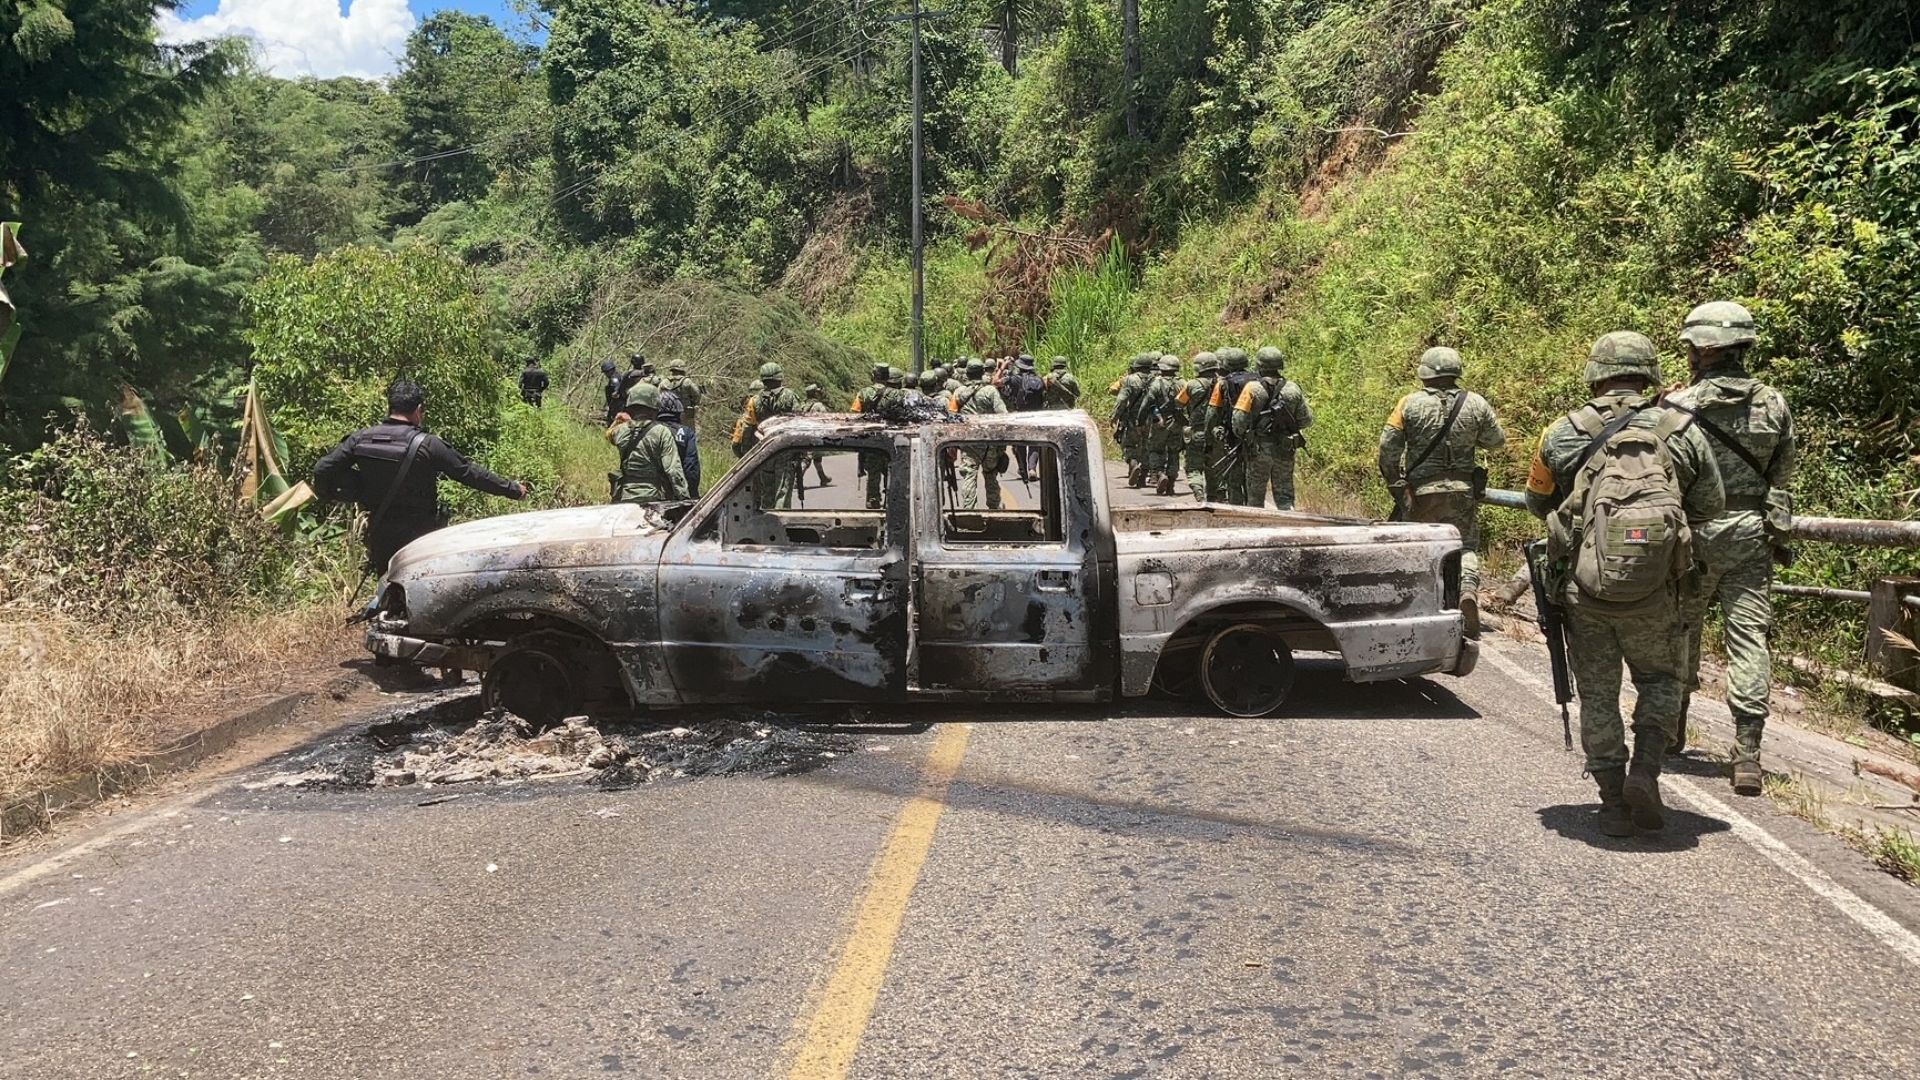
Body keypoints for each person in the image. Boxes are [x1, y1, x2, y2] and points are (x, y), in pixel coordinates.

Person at [1524, 331, 1724, 837]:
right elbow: (1710, 507)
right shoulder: (1681, 429)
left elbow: (1536, 500)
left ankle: (1613, 802)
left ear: (1594, 373)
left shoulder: (1562, 432)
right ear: (1651, 373)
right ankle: (1646, 772)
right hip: (1659, 591)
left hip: (1585, 591)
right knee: (1661, 681)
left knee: (1597, 693)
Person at [1665, 301, 1796, 791]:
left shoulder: (1679, 406)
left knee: (1680, 629)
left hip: (1695, 533)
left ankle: (1671, 731)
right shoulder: (1774, 403)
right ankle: (1747, 754)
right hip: (1750, 533)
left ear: (1704, 348)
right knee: (1749, 639)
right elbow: (1781, 476)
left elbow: (1666, 476)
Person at [313, 378, 527, 576]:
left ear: (390, 407)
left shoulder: (360, 439)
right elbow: (470, 474)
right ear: (418, 410)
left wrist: (350, 491)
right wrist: (513, 489)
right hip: (420, 534)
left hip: (380, 530)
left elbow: (322, 469)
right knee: (420, 587)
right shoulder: (428, 445)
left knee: (386, 584)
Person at [1378, 346, 1506, 634]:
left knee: (1419, 547)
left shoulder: (1408, 404)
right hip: (1462, 490)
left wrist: (1397, 487)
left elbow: (1388, 449)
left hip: (1421, 492)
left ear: (1424, 373)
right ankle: (1467, 591)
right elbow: (1496, 440)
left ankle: (1420, 606)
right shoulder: (1476, 403)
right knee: (1466, 546)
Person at [1229, 346, 1312, 509]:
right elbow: (1306, 420)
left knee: (1255, 497)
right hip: (1285, 448)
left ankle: (1257, 530)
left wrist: (1246, 436)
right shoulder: (1293, 388)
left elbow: (1238, 422)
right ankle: (1290, 526)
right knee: (1285, 496)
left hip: (1258, 450)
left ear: (1259, 365)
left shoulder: (1251, 389)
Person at [607, 383, 690, 506]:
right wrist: (684, 499)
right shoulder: (661, 432)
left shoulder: (620, 431)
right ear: (655, 406)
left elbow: (609, 434)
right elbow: (673, 470)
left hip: (624, 496)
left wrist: (617, 420)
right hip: (653, 497)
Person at [732, 362, 801, 507]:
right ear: (780, 377)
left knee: (766, 493)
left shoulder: (754, 401)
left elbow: (747, 429)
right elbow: (798, 424)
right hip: (786, 450)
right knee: (782, 490)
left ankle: (767, 521)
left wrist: (746, 455)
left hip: (765, 450)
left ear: (762, 380)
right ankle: (781, 522)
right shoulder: (790, 397)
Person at [949, 358, 1009, 510]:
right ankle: (994, 508)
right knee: (990, 474)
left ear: (967, 374)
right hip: (989, 441)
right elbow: (1003, 415)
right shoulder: (990, 391)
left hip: (968, 441)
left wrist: (953, 443)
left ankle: (969, 510)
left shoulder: (958, 393)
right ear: (982, 373)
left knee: (969, 475)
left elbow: (951, 416)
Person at [1207, 348, 1255, 504]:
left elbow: (1212, 413)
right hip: (1255, 436)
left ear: (1225, 365)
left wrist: (1209, 437)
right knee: (1252, 477)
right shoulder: (1258, 380)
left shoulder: (1222, 383)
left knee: (1234, 479)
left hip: (1232, 437)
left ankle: (1237, 510)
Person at [1177, 352, 1221, 503]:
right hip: (1217, 433)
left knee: (1194, 467)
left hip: (1197, 432)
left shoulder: (1192, 385)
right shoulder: (1223, 383)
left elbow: (1179, 403)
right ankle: (1213, 496)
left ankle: (1198, 490)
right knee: (1213, 465)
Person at [850, 363, 894, 509]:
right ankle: (891, 500)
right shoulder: (895, 393)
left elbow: (855, 414)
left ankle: (873, 500)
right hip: (891, 438)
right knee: (891, 471)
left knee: (873, 473)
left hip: (871, 439)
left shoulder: (863, 393)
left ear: (874, 376)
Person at [1139, 355, 1185, 496]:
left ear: (1161, 367)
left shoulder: (1156, 384)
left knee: (1155, 450)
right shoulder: (1183, 383)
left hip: (1160, 422)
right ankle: (1170, 484)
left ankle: (1159, 473)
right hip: (1177, 422)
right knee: (1173, 452)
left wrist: (1140, 421)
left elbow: (1146, 403)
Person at [1111, 353, 1154, 487]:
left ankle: (1133, 463)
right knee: (1147, 446)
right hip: (1152, 419)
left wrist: (1115, 416)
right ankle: (1142, 478)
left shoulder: (1130, 380)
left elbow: (1122, 399)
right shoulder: (1156, 379)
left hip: (1133, 419)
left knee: (1129, 444)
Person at [657, 390, 702, 499]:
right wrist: (692, 495)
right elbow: (691, 467)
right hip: (678, 492)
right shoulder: (686, 433)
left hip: (653, 492)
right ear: (679, 412)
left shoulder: (649, 431)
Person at [665, 361, 702, 434]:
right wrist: (694, 403)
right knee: (688, 434)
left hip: (669, 413)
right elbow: (697, 394)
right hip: (686, 413)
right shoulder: (687, 381)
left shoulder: (665, 382)